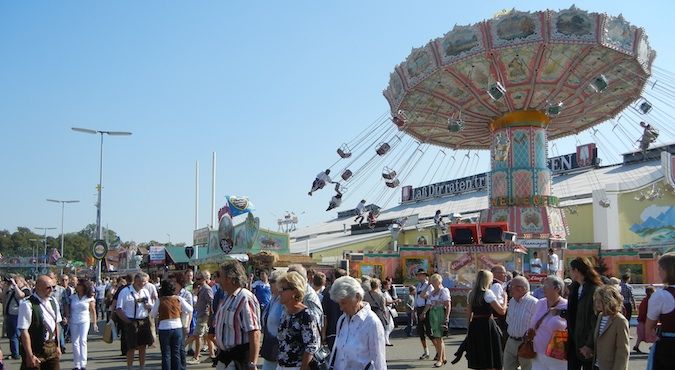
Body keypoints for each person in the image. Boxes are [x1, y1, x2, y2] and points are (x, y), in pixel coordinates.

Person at [328, 276, 386, 370]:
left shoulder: (372, 322)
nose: (341, 308)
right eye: (339, 303)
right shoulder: (342, 320)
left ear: (357, 297)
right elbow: (338, 354)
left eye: (343, 303)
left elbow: (379, 361)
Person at [213, 261, 261, 370]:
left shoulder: (244, 298)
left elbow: (254, 332)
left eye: (219, 276)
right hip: (226, 358)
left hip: (239, 359)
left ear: (229, 278)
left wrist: (252, 363)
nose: (217, 280)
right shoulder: (227, 298)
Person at [276, 272, 320, 370]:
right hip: (281, 366)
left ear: (295, 291)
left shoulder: (306, 315)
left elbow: (311, 347)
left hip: (296, 367)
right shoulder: (285, 312)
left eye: (283, 289)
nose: (279, 292)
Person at [464, 270, 507, 370]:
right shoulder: (488, 293)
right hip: (487, 325)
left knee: (480, 354)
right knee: (491, 354)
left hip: (475, 325)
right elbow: (501, 311)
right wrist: (505, 299)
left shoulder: (471, 293)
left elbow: (468, 313)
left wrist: (469, 329)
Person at [17, 275, 62, 370]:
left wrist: (58, 346)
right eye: (48, 287)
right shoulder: (27, 304)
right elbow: (24, 331)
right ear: (38, 288)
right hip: (35, 349)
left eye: (53, 287)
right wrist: (29, 355)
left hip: (52, 347)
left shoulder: (53, 301)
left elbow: (56, 325)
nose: (51, 290)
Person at [567, 257, 603, 370]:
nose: (569, 273)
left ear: (576, 270)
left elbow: (596, 318)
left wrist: (589, 345)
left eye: (570, 270)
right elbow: (575, 313)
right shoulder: (574, 288)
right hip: (574, 341)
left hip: (586, 344)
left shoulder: (594, 290)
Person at [150, 279, 193, 370]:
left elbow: (152, 314)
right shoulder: (178, 299)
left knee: (166, 353)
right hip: (177, 326)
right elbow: (190, 309)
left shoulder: (160, 300)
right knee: (176, 352)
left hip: (164, 327)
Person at [116, 273, 154, 370]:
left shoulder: (145, 292)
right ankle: (130, 367)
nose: (145, 283)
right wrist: (128, 321)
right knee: (131, 347)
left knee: (143, 346)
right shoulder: (125, 292)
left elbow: (150, 305)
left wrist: (149, 307)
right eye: (144, 281)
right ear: (137, 281)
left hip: (144, 320)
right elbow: (119, 309)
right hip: (131, 321)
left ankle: (142, 366)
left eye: (146, 281)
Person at [530, 276, 568, 370]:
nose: (543, 288)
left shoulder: (567, 306)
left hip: (557, 355)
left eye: (546, 285)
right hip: (537, 353)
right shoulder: (540, 303)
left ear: (557, 288)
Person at [645, 252, 675, 370]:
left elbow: (649, 330)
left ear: (666, 271)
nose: (658, 272)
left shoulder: (661, 296)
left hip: (669, 348)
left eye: (660, 269)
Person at [590, 285, 630, 370]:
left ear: (610, 301)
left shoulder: (620, 321)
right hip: (597, 365)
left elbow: (623, 351)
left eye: (600, 301)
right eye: (596, 300)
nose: (597, 303)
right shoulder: (600, 316)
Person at [503, 276, 537, 370]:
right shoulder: (512, 301)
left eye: (511, 287)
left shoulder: (534, 303)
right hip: (511, 341)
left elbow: (538, 325)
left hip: (526, 343)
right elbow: (509, 320)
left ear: (522, 288)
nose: (509, 289)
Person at [64, 279, 97, 370]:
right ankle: (77, 364)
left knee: (82, 340)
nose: (77, 286)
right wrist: (67, 317)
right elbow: (67, 307)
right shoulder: (72, 297)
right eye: (77, 285)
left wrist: (94, 323)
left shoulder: (89, 297)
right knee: (75, 342)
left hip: (84, 320)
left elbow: (93, 311)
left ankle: (83, 364)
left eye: (79, 285)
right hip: (74, 320)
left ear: (83, 286)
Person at [421, 273, 451, 368]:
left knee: (438, 338)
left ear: (439, 281)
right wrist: (424, 312)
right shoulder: (433, 292)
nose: (433, 283)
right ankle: (443, 357)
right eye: (432, 281)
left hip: (440, 313)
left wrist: (447, 316)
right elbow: (425, 299)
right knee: (438, 337)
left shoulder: (444, 291)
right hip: (433, 314)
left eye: (435, 281)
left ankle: (440, 359)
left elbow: (448, 304)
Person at [187, 271, 215, 365]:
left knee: (197, 335)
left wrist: (211, 315)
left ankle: (196, 356)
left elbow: (211, 302)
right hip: (201, 314)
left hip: (204, 315)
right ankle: (212, 355)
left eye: (199, 279)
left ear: (204, 279)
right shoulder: (201, 288)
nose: (197, 281)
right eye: (196, 279)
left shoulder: (207, 289)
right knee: (207, 337)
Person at [260, 270, 284, 370]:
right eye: (269, 281)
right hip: (269, 346)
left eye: (272, 281)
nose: (269, 284)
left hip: (279, 348)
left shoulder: (283, 301)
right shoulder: (273, 299)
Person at [287, 264, 323, 329]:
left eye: (289, 279)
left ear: (297, 279)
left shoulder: (308, 297)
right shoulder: (297, 293)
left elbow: (315, 323)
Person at [5, 274, 31, 360]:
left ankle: (17, 353)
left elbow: (21, 295)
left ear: (22, 281)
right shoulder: (12, 289)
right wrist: (7, 285)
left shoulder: (26, 290)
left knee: (16, 335)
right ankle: (14, 352)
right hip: (9, 315)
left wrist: (15, 285)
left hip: (17, 315)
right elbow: (2, 297)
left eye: (17, 281)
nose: (14, 283)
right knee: (11, 335)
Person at [321, 268, 348, 350]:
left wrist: (323, 335)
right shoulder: (349, 291)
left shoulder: (327, 291)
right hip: (347, 331)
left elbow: (324, 316)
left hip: (331, 332)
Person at [414, 268, 433, 360]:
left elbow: (429, 298)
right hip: (419, 309)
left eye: (421, 275)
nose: (419, 276)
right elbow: (417, 297)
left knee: (429, 332)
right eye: (418, 275)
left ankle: (438, 350)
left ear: (425, 276)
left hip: (426, 309)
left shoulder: (429, 286)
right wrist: (415, 307)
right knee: (421, 332)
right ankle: (426, 352)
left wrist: (424, 312)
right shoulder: (418, 285)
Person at [363, 279, 390, 344]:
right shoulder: (380, 295)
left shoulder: (365, 294)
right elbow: (383, 307)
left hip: (367, 312)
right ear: (377, 285)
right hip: (377, 312)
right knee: (380, 328)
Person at [634, 285, 656, 353]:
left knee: (641, 335)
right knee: (654, 334)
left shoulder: (644, 300)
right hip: (647, 320)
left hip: (642, 320)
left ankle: (636, 346)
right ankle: (653, 346)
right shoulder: (651, 300)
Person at [490, 265, 509, 346]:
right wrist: (505, 299)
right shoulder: (496, 286)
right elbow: (499, 307)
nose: (505, 275)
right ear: (495, 274)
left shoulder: (494, 285)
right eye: (503, 273)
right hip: (498, 320)